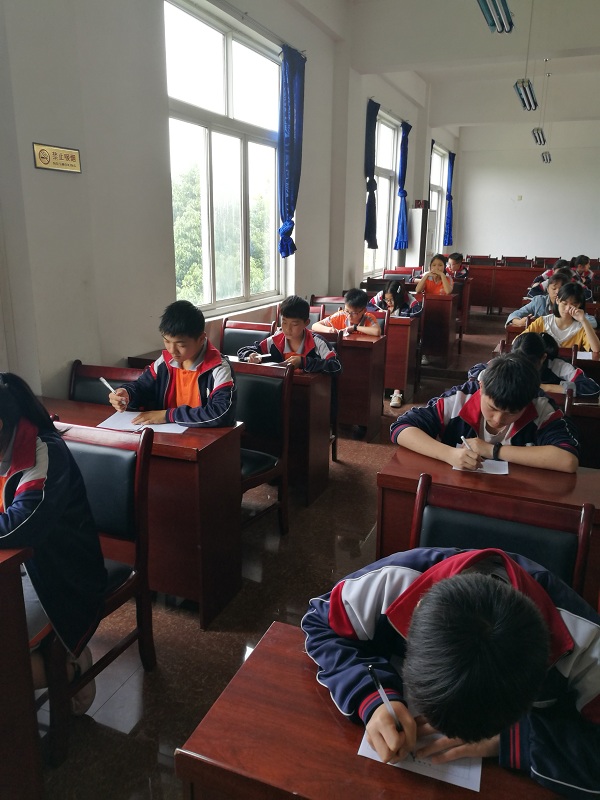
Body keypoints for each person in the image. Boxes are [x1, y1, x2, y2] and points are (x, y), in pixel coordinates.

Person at [301, 547, 600, 798]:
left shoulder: (588, 645)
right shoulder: (393, 582)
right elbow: (319, 623)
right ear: (416, 612)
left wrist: (515, 739)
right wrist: (372, 697)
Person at [0, 373, 107, 714]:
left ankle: (71, 668)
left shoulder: (43, 452)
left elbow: (20, 526)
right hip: (14, 569)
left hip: (57, 577)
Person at [390, 353, 579, 473]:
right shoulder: (460, 399)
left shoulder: (542, 408)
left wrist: (492, 450)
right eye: (493, 408)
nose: (498, 419)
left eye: (512, 413)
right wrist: (449, 454)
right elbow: (401, 428)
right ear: (481, 387)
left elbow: (567, 459)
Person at [109, 300, 236, 426]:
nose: (172, 350)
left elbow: (222, 413)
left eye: (181, 345)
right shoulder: (165, 362)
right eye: (167, 341)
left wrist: (168, 415)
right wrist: (127, 394)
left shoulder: (218, 368)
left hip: (203, 435)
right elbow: (143, 387)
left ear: (201, 339)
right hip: (167, 434)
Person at [469, 332, 600, 399]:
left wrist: (543, 387)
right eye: (519, 362)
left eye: (529, 364)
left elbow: (591, 388)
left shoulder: (557, 365)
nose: (523, 368)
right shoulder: (509, 361)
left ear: (543, 358)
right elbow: (475, 372)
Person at [237, 295, 341, 374]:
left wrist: (303, 362)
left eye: (294, 324)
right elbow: (243, 351)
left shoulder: (318, 343)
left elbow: (336, 366)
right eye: (284, 322)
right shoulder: (274, 341)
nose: (287, 329)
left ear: (306, 323)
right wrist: (251, 355)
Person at [368, 281, 421, 408]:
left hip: (402, 335)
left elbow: (418, 311)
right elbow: (369, 306)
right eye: (386, 300)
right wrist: (381, 312)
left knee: (399, 352)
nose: (388, 302)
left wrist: (398, 314)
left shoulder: (409, 299)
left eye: (391, 300)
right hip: (383, 333)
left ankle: (397, 391)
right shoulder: (381, 295)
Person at [518, 282, 600, 352]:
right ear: (557, 300)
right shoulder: (542, 322)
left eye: (574, 305)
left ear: (579, 305)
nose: (567, 309)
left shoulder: (581, 327)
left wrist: (584, 321)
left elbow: (596, 349)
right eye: (564, 303)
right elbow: (518, 342)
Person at [506, 269, 597, 329]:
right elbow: (514, 314)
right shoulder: (539, 301)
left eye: (561, 289)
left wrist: (577, 320)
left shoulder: (571, 304)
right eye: (554, 288)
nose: (557, 292)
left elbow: (593, 322)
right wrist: (519, 322)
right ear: (547, 289)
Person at [312, 288, 381, 337]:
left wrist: (355, 328)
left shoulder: (368, 318)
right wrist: (329, 330)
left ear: (364, 311)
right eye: (347, 311)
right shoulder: (340, 315)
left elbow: (377, 331)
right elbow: (315, 326)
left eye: (354, 313)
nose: (349, 316)